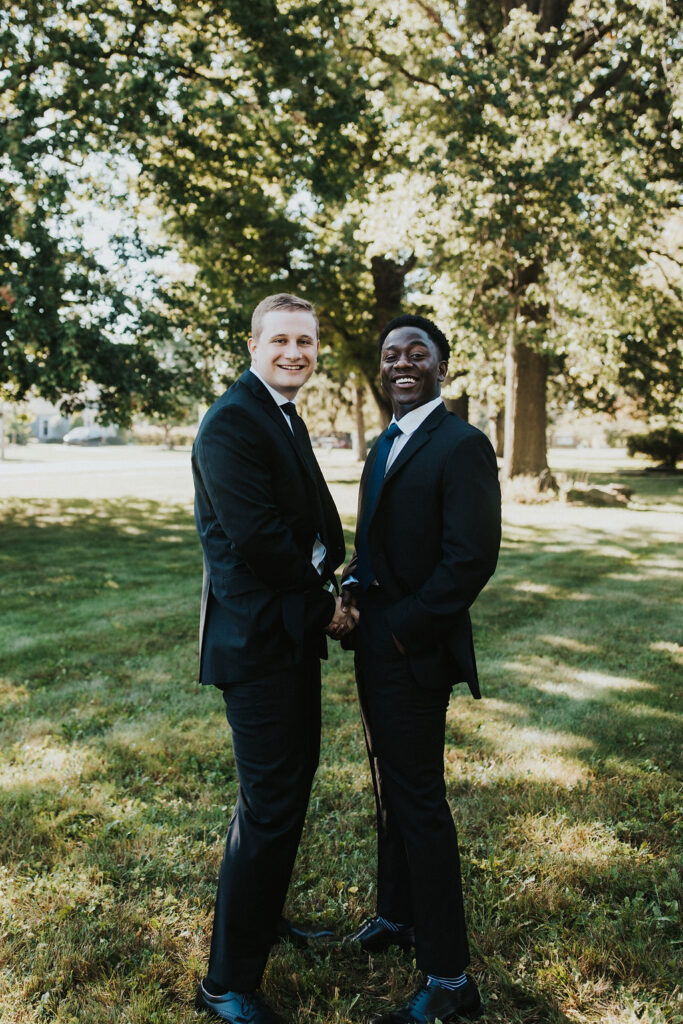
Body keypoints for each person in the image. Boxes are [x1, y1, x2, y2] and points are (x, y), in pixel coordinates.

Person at [191, 293, 356, 1024]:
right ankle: (226, 983)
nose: (296, 351)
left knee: (283, 795)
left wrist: (330, 570)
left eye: (306, 341)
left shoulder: (279, 414)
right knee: (270, 804)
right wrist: (325, 604)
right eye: (281, 339)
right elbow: (258, 540)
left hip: (285, 634)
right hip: (257, 643)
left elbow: (310, 521)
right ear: (252, 344)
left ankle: (260, 920)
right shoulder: (231, 422)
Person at [341, 314, 501, 1024]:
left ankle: (448, 978)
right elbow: (379, 543)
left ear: (441, 366)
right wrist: (352, 583)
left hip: (413, 651)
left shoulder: (462, 444)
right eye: (391, 355)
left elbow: (469, 559)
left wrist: (400, 631)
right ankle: (398, 917)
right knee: (389, 791)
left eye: (417, 353)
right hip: (372, 643)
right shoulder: (385, 442)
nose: (401, 362)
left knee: (420, 803)